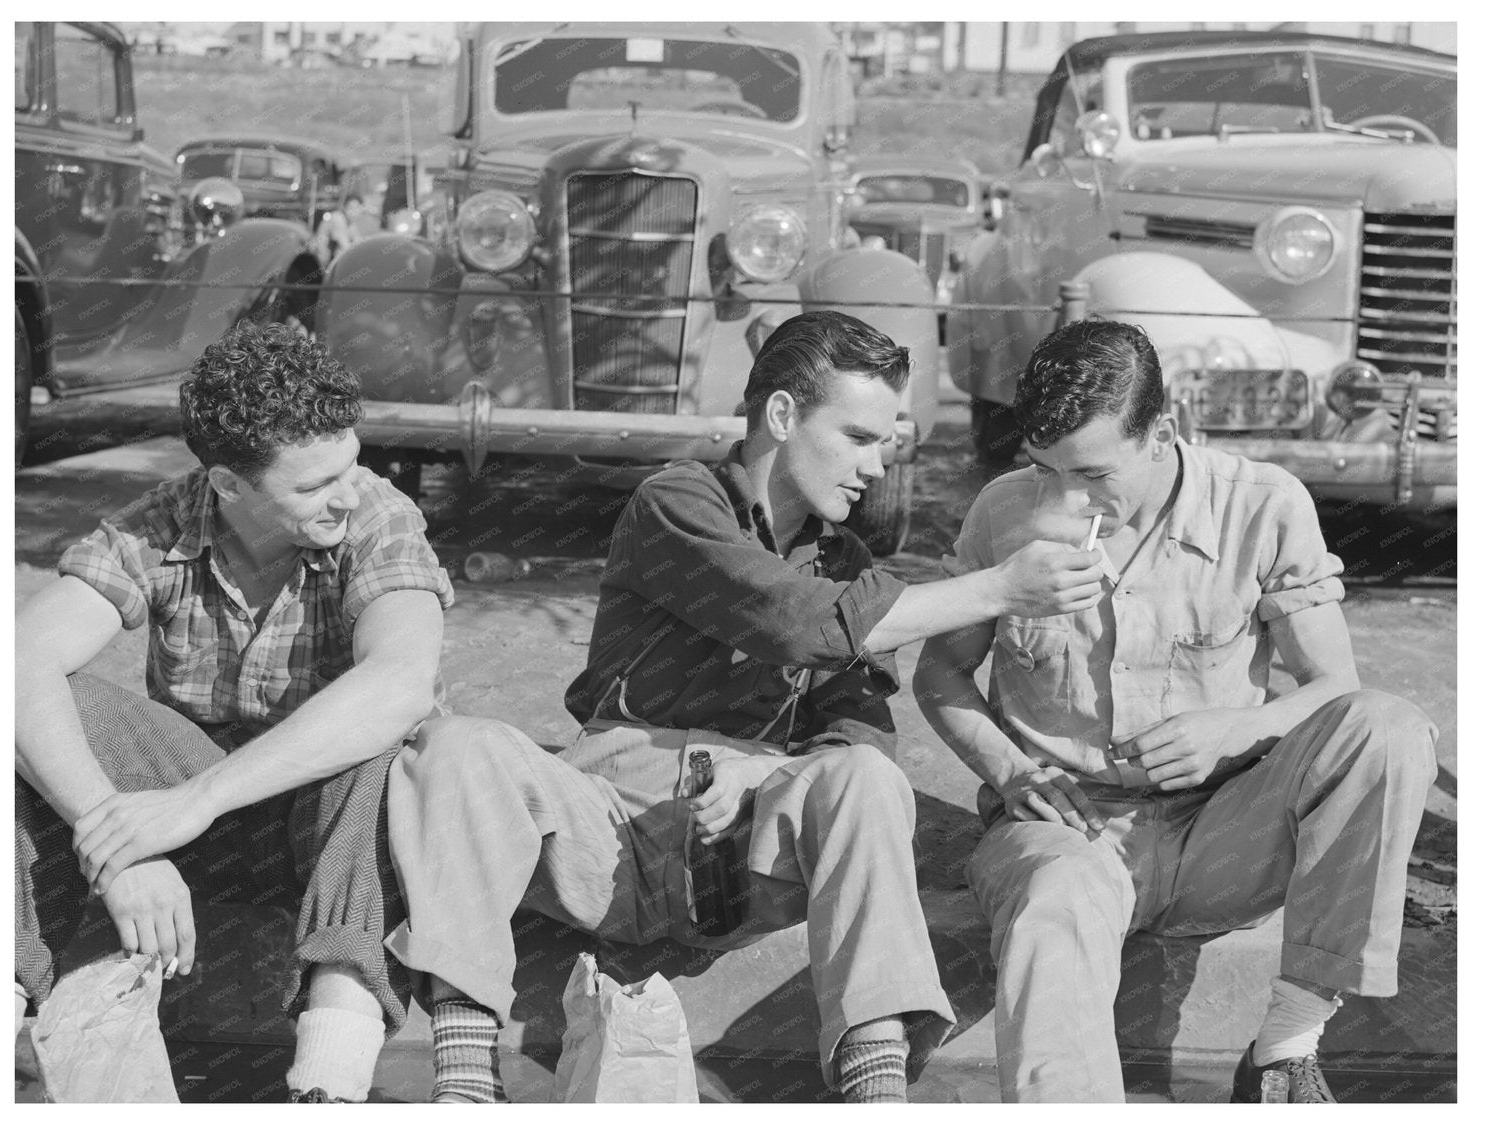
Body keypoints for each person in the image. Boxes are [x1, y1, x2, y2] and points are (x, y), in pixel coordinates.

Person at [380, 309, 1109, 1102]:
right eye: (859, 437)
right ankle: (462, 1081)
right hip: (603, 825)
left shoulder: (847, 561)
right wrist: (1000, 587)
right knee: (453, 745)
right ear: (784, 414)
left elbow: (855, 738)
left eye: (886, 442)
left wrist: (755, 772)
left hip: (733, 862)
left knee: (865, 775)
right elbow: (792, 619)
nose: (877, 465)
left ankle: (876, 1089)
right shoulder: (677, 502)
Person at [913, 318, 1438, 1102]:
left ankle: (1285, 1045)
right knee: (1051, 909)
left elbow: (1337, 687)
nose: (1066, 499)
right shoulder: (1001, 511)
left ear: (1162, 432)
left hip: (1223, 837)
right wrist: (1010, 768)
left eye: (1092, 473)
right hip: (1065, 834)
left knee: (1390, 727)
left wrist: (1241, 728)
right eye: (1044, 468)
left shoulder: (1263, 505)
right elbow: (939, 675)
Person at [14, 320, 454, 1103]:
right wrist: (117, 841)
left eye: (352, 463)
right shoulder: (162, 521)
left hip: (335, 833)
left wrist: (196, 800)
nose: (348, 492)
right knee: (53, 710)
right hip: (198, 833)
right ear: (226, 484)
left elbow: (401, 680)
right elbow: (13, 661)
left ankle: (330, 1078)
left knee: (383, 741)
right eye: (315, 485)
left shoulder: (377, 514)